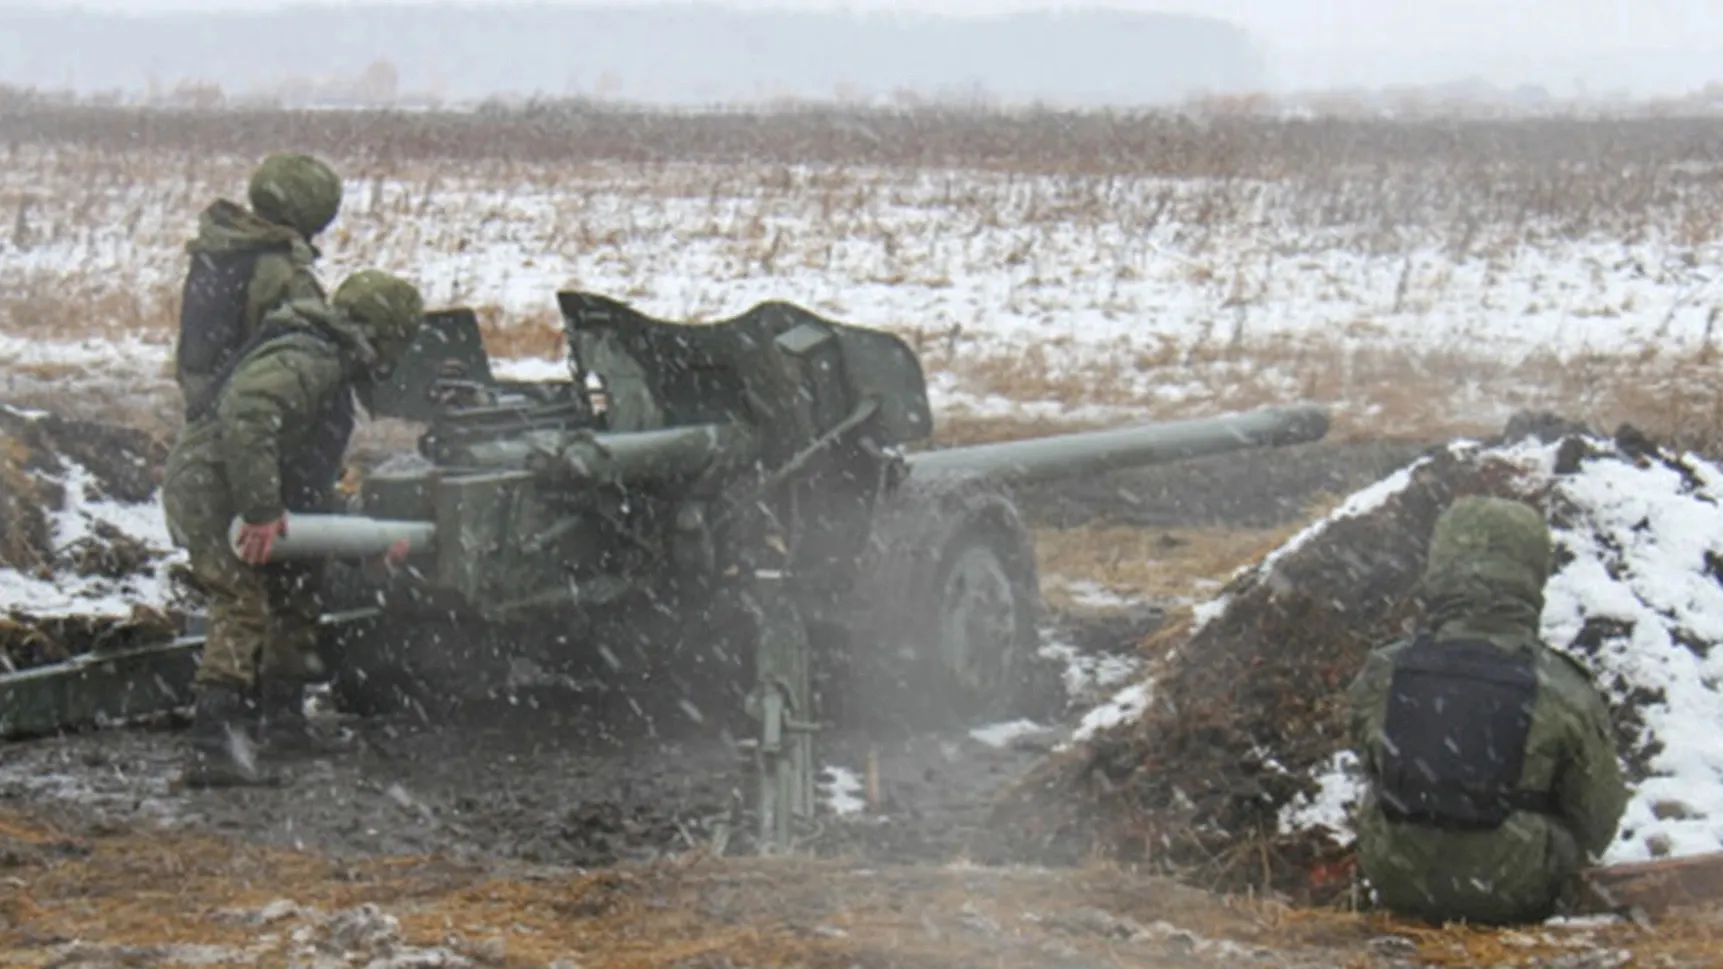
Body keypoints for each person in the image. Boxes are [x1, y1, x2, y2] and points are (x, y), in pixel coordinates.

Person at [163, 269, 424, 788]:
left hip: (255, 484)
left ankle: (282, 724)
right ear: (383, 333)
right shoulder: (310, 356)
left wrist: (356, 547)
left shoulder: (329, 359)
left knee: (298, 589)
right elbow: (249, 413)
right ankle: (213, 747)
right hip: (214, 488)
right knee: (242, 601)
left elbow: (307, 472)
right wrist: (262, 511)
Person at [1345, 496, 1628, 925]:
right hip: (1512, 889)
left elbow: (1369, 759)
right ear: (1534, 573)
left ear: (1441, 565)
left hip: (1397, 876)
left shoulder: (1386, 669)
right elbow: (1597, 816)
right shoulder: (1562, 684)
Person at [175, 152, 343, 413]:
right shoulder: (280, 271)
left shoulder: (219, 250)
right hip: (254, 413)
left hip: (208, 403)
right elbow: (311, 357)